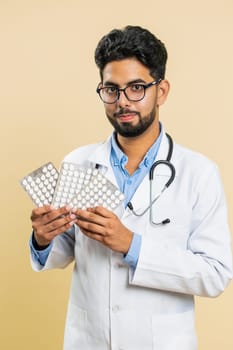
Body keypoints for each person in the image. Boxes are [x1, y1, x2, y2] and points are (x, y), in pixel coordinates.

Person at [29, 25, 232, 350]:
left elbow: (215, 274)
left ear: (161, 91)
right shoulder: (78, 162)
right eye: (112, 90)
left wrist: (132, 245)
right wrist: (43, 238)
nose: (123, 102)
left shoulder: (199, 173)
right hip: (88, 340)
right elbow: (64, 251)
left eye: (137, 88)